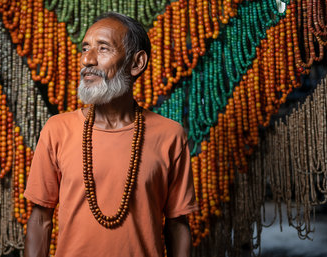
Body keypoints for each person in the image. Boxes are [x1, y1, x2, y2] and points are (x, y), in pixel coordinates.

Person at [24, 12, 198, 257]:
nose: (87, 59)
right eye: (85, 48)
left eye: (103, 48)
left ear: (136, 63)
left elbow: (178, 225)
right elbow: (40, 220)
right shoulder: (57, 129)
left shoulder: (170, 135)